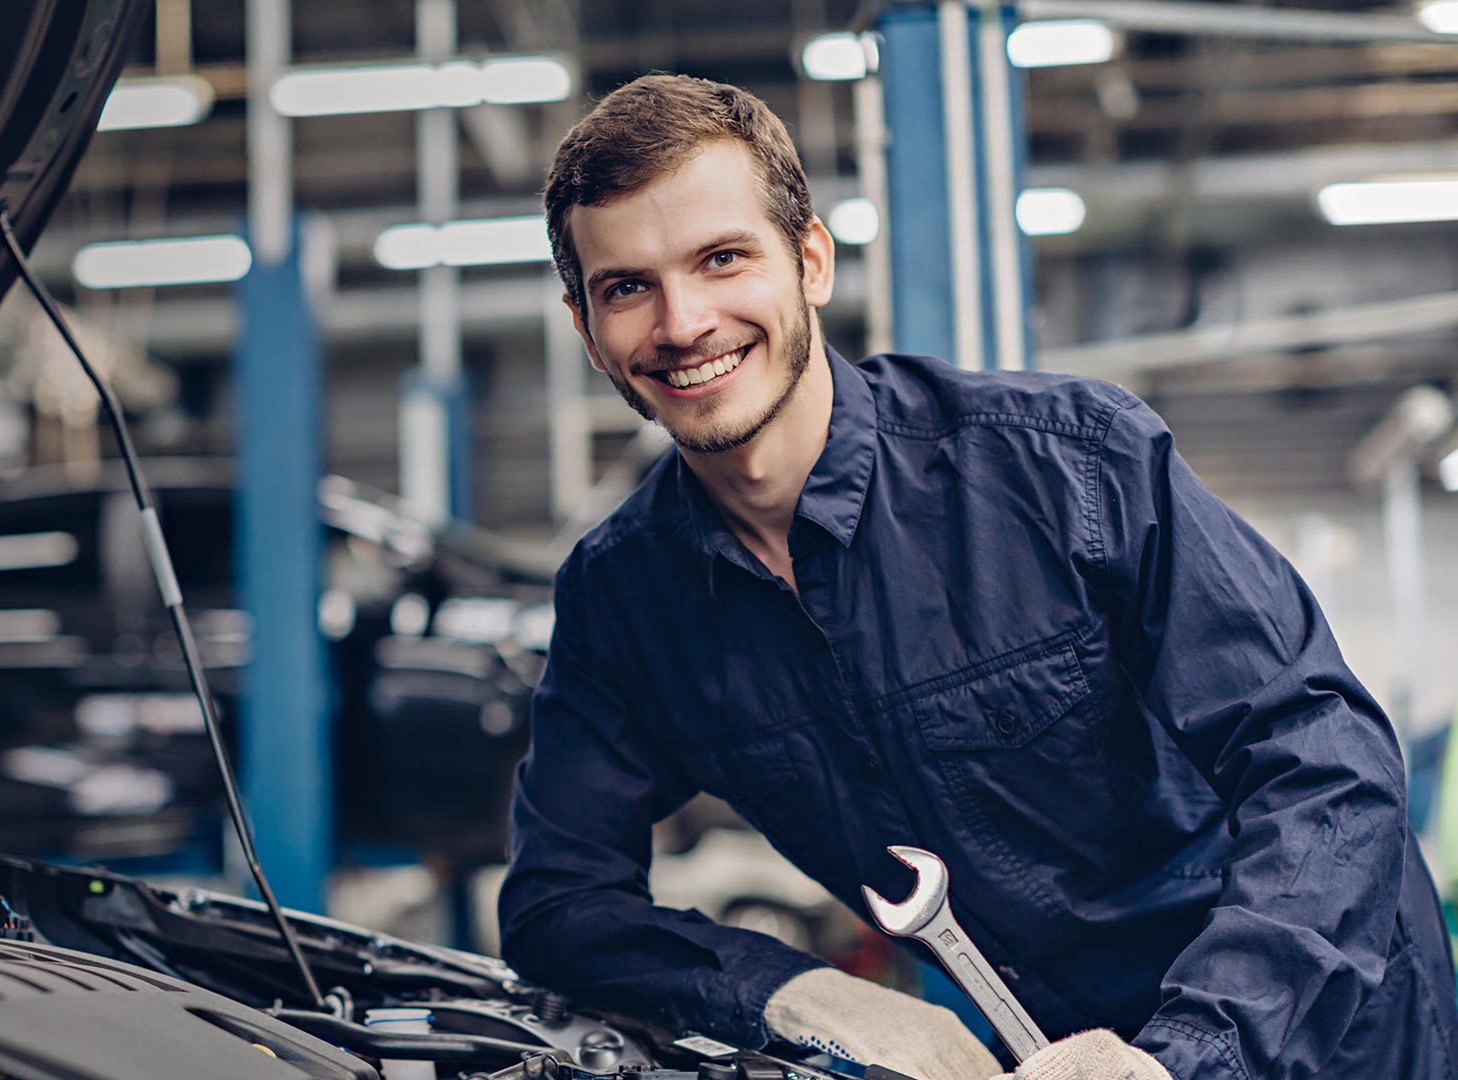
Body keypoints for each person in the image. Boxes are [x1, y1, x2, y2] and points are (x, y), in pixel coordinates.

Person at [497, 73, 1457, 1080]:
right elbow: (559, 900)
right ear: (585, 327)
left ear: (811, 261)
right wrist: (805, 996)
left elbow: (1324, 757)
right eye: (627, 287)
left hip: (1318, 1025)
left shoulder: (1073, 466)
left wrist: (1189, 1054)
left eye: (722, 259)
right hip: (1043, 1046)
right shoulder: (624, 604)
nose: (683, 321)